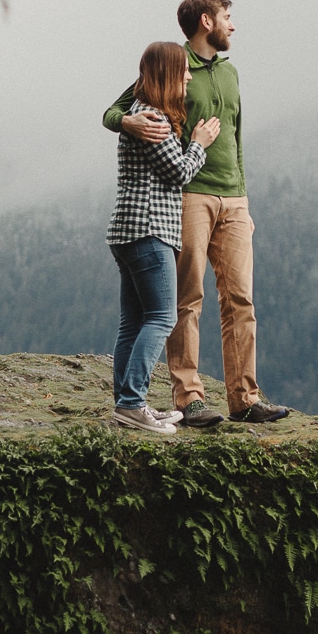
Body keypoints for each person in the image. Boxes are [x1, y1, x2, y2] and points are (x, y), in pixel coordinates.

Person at [103, 0, 290, 427]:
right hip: (186, 196)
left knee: (240, 299)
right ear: (207, 21)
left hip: (233, 197)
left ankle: (245, 399)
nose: (233, 25)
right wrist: (126, 122)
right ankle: (190, 400)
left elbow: (237, 137)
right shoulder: (171, 65)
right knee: (184, 301)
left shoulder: (231, 73)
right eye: (228, 16)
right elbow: (116, 111)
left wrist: (242, 196)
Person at [105, 40, 221, 435]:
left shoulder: (140, 112)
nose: (189, 76)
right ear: (168, 74)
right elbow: (180, 172)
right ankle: (133, 403)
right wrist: (200, 144)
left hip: (128, 232)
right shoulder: (152, 118)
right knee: (162, 317)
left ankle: (126, 403)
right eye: (183, 70)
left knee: (133, 322)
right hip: (150, 232)